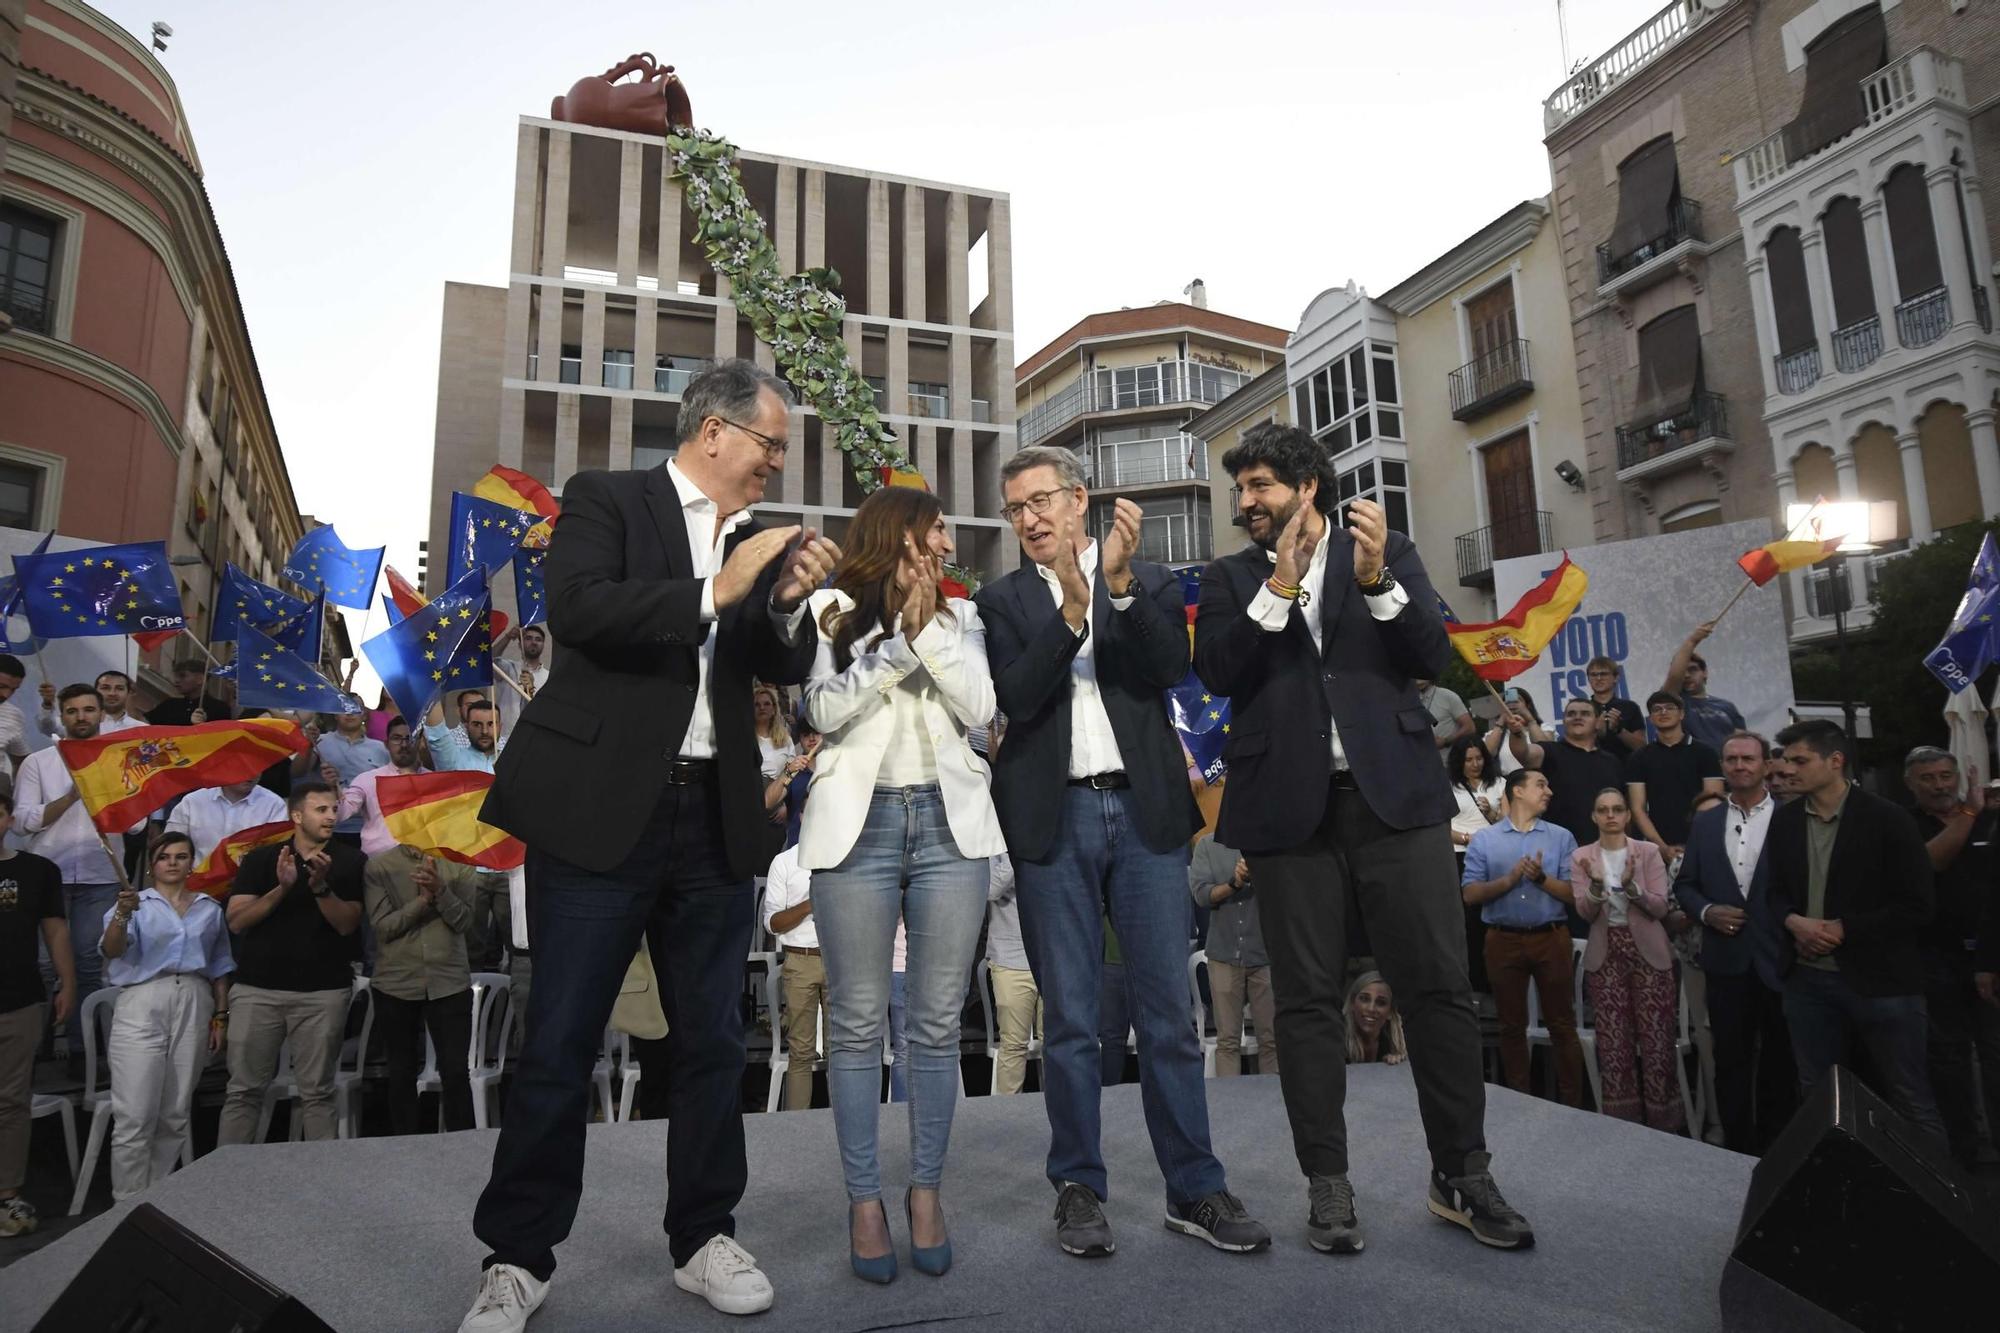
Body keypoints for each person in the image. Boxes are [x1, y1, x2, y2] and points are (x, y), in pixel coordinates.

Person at [463, 358, 832, 1328]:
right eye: (769, 443)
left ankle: (704, 1234)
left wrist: (785, 600)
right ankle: (517, 1257)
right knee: (560, 1041)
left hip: (709, 817)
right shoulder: (606, 500)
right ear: (714, 431)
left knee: (712, 1039)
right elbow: (582, 609)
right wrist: (718, 587)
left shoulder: (753, 539)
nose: (773, 464)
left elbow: (773, 659)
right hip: (597, 811)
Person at [1199, 422, 1527, 1256]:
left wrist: (1379, 580)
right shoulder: (1235, 573)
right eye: (1241, 490)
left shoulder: (1384, 552)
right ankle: (1328, 1184)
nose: (1246, 503)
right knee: (1305, 1003)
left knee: (1438, 989)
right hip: (1287, 812)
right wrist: (1277, 586)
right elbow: (1219, 672)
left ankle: (1462, 1171)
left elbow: (1429, 656)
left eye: (1261, 485)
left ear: (1307, 486)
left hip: (1397, 802)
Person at [984, 445, 1268, 1259]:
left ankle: (1195, 1188)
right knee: (1071, 1020)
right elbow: (1017, 695)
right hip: (1053, 819)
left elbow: (1172, 669)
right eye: (1016, 508)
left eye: (1042, 501)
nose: (1029, 519)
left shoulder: (1142, 579)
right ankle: (1078, 1188)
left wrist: (1110, 589)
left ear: (1080, 500)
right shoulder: (1001, 601)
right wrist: (1073, 613)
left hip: (1144, 814)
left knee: (1169, 1018)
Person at [791, 485, 997, 1282]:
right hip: (859, 824)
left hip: (952, 828)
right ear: (900, 536)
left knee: (938, 1024)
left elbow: (981, 705)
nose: (945, 541)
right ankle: (865, 1201)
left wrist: (928, 630)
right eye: (935, 528)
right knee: (855, 1021)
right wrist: (895, 646)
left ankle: (925, 1192)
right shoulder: (833, 609)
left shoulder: (963, 616)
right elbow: (819, 708)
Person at [1765, 720, 1943, 1141]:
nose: (1788, 769)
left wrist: (1846, 929)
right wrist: (1794, 921)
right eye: (1786, 760)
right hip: (1807, 983)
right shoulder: (1786, 822)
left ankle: (1935, 1202)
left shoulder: (1887, 819)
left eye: (1800, 760)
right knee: (1817, 1100)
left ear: (1836, 761)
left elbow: (1918, 906)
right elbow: (1772, 895)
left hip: (1883, 986)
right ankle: (1829, 1193)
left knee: (1910, 1098)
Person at [216, 781, 365, 1146]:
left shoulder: (350, 861)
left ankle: (323, 1191)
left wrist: (319, 887)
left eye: (334, 809)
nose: (331, 816)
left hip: (322, 993)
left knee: (317, 1092)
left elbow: (347, 924)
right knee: (244, 1091)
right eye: (321, 809)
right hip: (257, 991)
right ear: (296, 815)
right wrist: (282, 888)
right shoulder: (262, 859)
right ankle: (224, 1184)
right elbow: (237, 920)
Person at [1673, 732, 1792, 1154]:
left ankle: (1781, 1151)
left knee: (1783, 1064)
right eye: (1731, 759)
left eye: (1748, 758)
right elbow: (1686, 885)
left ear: (1764, 765)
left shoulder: (1792, 818)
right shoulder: (1706, 822)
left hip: (1780, 961)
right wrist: (1707, 912)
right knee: (1731, 1062)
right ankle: (1737, 1152)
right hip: (1725, 962)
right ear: (1722, 767)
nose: (1739, 765)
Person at [99, 832, 232, 1199]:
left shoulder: (209, 907)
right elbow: (112, 950)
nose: (172, 862)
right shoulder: (134, 902)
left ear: (192, 862)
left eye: (181, 856)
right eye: (164, 856)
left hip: (194, 995)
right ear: (152, 864)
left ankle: (154, 1199)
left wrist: (221, 1015)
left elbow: (220, 965)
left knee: (174, 1112)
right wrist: (123, 914)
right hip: (143, 997)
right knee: (135, 1114)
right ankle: (126, 1201)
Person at [14, 684, 144, 1060]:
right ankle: (33, 1054)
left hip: (99, 875)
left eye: (89, 710)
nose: (81, 717)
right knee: (40, 966)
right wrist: (73, 795)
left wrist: (109, 794)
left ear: (101, 714)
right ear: (62, 714)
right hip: (46, 875)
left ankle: (82, 1052)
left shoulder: (120, 761)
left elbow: (137, 826)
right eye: (73, 711)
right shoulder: (40, 762)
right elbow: (23, 822)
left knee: (89, 965)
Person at [1463, 769, 1583, 1109]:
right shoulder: (1485, 839)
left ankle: (1573, 1107)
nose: (1549, 791)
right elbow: (1470, 894)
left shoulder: (1561, 837)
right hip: (1503, 940)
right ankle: (1520, 1105)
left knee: (1562, 1024)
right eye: (1541, 785)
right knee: (1510, 1026)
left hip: (1552, 937)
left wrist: (1541, 878)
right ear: (1517, 791)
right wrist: (1511, 879)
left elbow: (1576, 895)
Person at [1904, 746, 2000, 1167]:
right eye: (1928, 777)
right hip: (1934, 958)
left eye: (1946, 775)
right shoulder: (1904, 822)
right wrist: (1969, 817)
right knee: (1948, 1059)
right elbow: (1928, 863)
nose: (1940, 785)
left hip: (1991, 958)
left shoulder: (1989, 817)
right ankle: (1964, 1152)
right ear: (1911, 782)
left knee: (1997, 1054)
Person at [1572, 788, 1682, 1133]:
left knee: (1657, 1040)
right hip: (1606, 952)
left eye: (1617, 809)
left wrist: (1631, 887)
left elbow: (1661, 907)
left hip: (1648, 949)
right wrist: (1594, 886)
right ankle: (1621, 1127)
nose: (1610, 815)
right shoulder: (1582, 857)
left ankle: (1664, 1125)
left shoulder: (1647, 852)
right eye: (1603, 810)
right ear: (1594, 816)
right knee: (1613, 1042)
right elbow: (1585, 912)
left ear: (1627, 815)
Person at [366, 843, 477, 1135]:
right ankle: (405, 1148)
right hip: (396, 981)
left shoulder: (460, 863)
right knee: (400, 1072)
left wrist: (441, 891)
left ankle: (464, 1148)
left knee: (455, 1072)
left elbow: (465, 920)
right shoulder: (380, 866)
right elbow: (383, 927)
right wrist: (422, 901)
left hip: (449, 982)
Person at [0, 795, 70, 1238]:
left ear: (8, 817)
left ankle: (7, 1194)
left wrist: (70, 981)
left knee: (11, 1101)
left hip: (19, 1001)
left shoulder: (38, 871)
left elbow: (55, 929)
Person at [425, 698, 512, 969]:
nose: (485, 731)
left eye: (491, 724)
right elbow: (437, 734)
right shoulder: (454, 760)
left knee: (517, 946)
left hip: (510, 868)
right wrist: (430, 685)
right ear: (466, 726)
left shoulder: (513, 758)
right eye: (477, 724)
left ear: (500, 725)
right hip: (469, 869)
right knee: (470, 947)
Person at [1189, 832, 1275, 1077]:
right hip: (1224, 954)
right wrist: (1234, 883)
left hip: (1266, 954)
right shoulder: (1207, 845)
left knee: (1271, 1040)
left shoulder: (1271, 839)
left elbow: (1286, 888)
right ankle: (1228, 1108)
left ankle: (1277, 1106)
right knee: (1227, 1041)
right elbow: (1201, 895)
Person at [1504, 695, 1628, 850]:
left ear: (1597, 722)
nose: (1577, 717)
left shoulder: (1613, 762)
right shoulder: (1550, 751)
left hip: (1607, 849)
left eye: (1585, 713)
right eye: (1571, 714)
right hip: (1559, 848)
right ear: (1563, 722)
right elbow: (1524, 753)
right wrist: (1517, 733)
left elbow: (1624, 807)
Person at [759, 842, 821, 1112]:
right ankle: (798, 1126)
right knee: (801, 1052)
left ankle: (845, 1128)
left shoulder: (846, 855)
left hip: (840, 955)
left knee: (845, 1051)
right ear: (801, 817)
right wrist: (809, 904)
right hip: (800, 959)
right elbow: (772, 923)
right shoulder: (784, 862)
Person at [1626, 692, 1723, 862]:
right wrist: (1661, 848)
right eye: (1657, 709)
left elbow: (1714, 804)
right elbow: (1637, 808)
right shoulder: (1639, 757)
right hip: (1659, 848)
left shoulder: (1705, 753)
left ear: (1682, 714)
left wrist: (1697, 845)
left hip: (1704, 844)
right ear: (1650, 718)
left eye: (1670, 708)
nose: (1663, 712)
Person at [985, 850, 1040, 1095]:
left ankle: (1063, 1118)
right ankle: (1007, 1119)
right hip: (1010, 958)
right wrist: (1017, 849)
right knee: (1014, 1046)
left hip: (1054, 956)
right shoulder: (994, 842)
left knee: (1061, 1043)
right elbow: (990, 889)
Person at [336, 716, 425, 858]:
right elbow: (340, 813)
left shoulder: (433, 780)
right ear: (386, 744)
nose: (403, 744)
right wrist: (333, 788)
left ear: (420, 742)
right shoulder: (367, 780)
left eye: (410, 738)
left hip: (424, 862)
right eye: (396, 738)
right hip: (379, 862)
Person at [1662, 620, 1746, 755]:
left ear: (1705, 672)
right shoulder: (1675, 703)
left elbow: (1742, 742)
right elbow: (1674, 675)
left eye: (1693, 670)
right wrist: (1693, 640)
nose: (1687, 675)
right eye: (1683, 671)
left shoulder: (1727, 706)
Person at [317, 701, 390, 849]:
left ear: (363, 713)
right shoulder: (320, 741)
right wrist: (307, 743)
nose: (349, 714)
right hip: (330, 826)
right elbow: (297, 773)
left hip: (370, 828)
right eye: (344, 708)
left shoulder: (380, 748)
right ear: (335, 714)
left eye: (354, 709)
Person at [167, 778, 287, 867]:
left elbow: (277, 851)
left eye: (256, 767)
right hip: (197, 885)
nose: (251, 773)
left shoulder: (274, 804)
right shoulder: (193, 802)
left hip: (250, 887)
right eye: (242, 767)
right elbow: (170, 845)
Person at [37, 669, 146, 739]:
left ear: (128, 692)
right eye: (105, 688)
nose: (112, 693)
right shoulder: (81, 722)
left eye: (119, 688)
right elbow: (47, 728)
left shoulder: (142, 729)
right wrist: (47, 704)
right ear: (95, 691)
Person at [1447, 734, 1505, 853]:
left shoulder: (1500, 783)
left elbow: (1508, 823)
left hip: (1492, 849)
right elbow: (1440, 828)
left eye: (1479, 758)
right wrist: (1466, 839)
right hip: (1458, 851)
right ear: (1459, 761)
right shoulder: (1446, 786)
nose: (1475, 764)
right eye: (1468, 760)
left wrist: (1490, 812)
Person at [491, 624, 551, 735]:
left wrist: (531, 690)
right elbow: (489, 660)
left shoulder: (549, 677)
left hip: (535, 735)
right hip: (506, 736)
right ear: (520, 644)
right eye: (528, 638)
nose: (533, 642)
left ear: (543, 645)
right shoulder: (508, 668)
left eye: (538, 639)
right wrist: (508, 637)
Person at [1583, 656, 1646, 755]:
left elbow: (1641, 747)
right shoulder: (1582, 709)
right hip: (1592, 768)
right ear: (1588, 679)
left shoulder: (1630, 707)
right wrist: (1595, 732)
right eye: (1594, 675)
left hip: (1625, 768)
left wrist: (1619, 730)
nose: (1598, 678)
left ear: (1616, 678)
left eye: (1603, 674)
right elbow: (1573, 749)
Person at [1343, 972, 1406, 1065]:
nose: (1371, 1009)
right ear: (1352, 1003)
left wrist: (1400, 1063)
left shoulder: (1395, 1044)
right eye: (1364, 999)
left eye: (1381, 1003)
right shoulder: (1334, 1040)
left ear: (1390, 1012)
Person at [146, 659, 228, 728]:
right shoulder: (169, 705)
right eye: (176, 676)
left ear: (200, 679)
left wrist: (203, 726)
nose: (176, 680)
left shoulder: (219, 708)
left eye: (182, 676)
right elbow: (144, 724)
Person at [1418, 678, 1473, 757]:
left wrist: (1445, 741)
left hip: (1450, 762)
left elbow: (1470, 728)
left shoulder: (1447, 696)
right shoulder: (1410, 701)